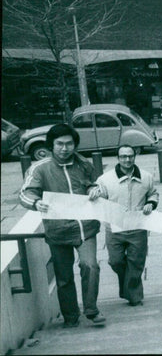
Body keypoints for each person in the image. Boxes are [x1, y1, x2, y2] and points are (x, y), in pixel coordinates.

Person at [19, 124, 105, 327]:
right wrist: (35, 202)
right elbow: (25, 193)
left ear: (75, 145)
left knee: (90, 266)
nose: (64, 148)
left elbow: (96, 182)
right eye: (59, 144)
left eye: (69, 144)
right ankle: (70, 315)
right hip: (57, 231)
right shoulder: (39, 168)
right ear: (51, 145)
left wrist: (95, 189)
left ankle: (91, 309)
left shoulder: (83, 164)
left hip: (86, 228)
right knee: (63, 276)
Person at [90, 145, 158, 307]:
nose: (127, 160)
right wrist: (95, 194)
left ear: (135, 156)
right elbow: (98, 199)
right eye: (123, 157)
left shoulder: (146, 177)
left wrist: (151, 203)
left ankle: (134, 297)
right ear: (118, 158)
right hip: (114, 228)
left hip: (137, 227)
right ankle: (128, 285)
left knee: (136, 263)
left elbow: (153, 193)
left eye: (130, 156)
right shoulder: (105, 179)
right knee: (115, 261)